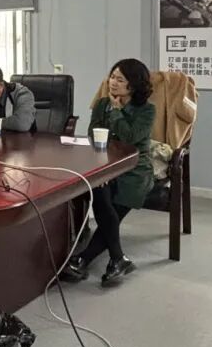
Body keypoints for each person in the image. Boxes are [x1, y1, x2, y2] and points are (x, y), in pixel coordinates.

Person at [62, 58, 156, 287]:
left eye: (120, 79)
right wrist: (102, 169)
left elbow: (130, 137)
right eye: (112, 77)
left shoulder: (146, 110)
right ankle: (117, 259)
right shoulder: (102, 103)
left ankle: (81, 260)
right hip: (106, 165)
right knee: (100, 192)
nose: (113, 82)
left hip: (134, 170)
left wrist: (116, 111)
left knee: (107, 217)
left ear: (133, 85)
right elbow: (93, 136)